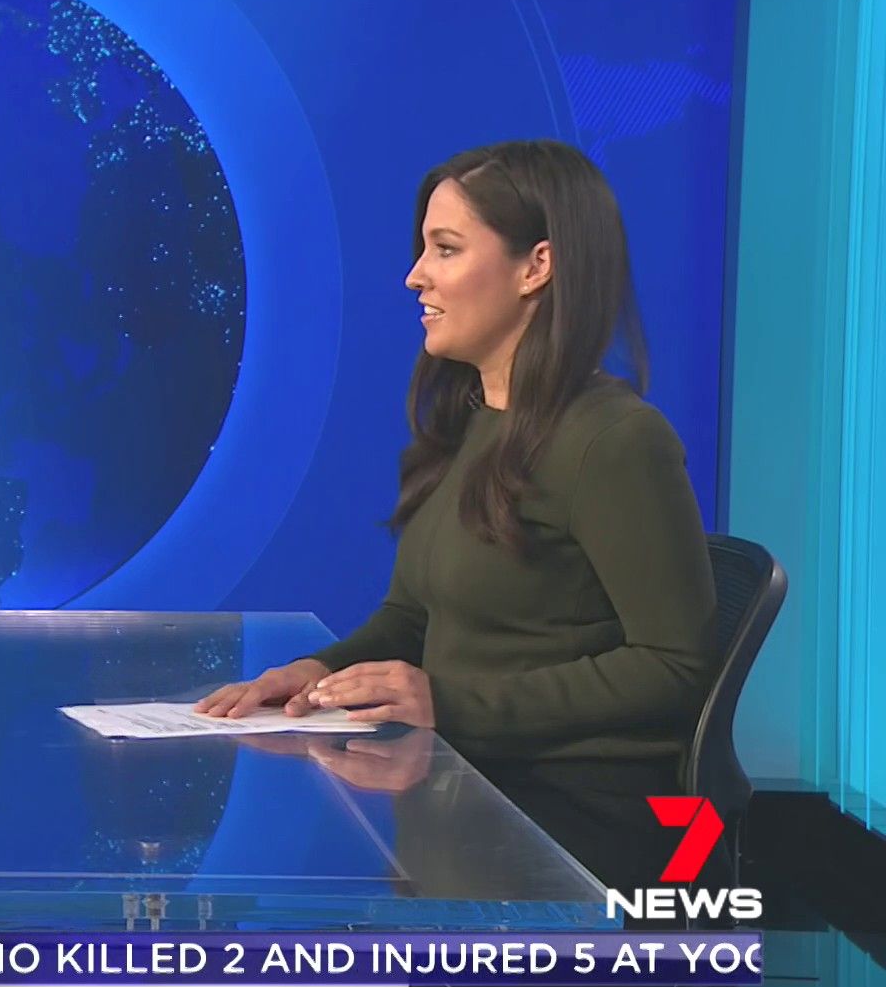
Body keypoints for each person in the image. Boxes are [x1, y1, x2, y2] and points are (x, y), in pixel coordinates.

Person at [197, 140, 716, 879]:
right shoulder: (475, 422)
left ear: (537, 267)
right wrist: (316, 676)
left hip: (566, 828)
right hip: (458, 794)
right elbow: (413, 618)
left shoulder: (616, 441)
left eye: (445, 249)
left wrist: (448, 703)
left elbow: (675, 665)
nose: (415, 276)